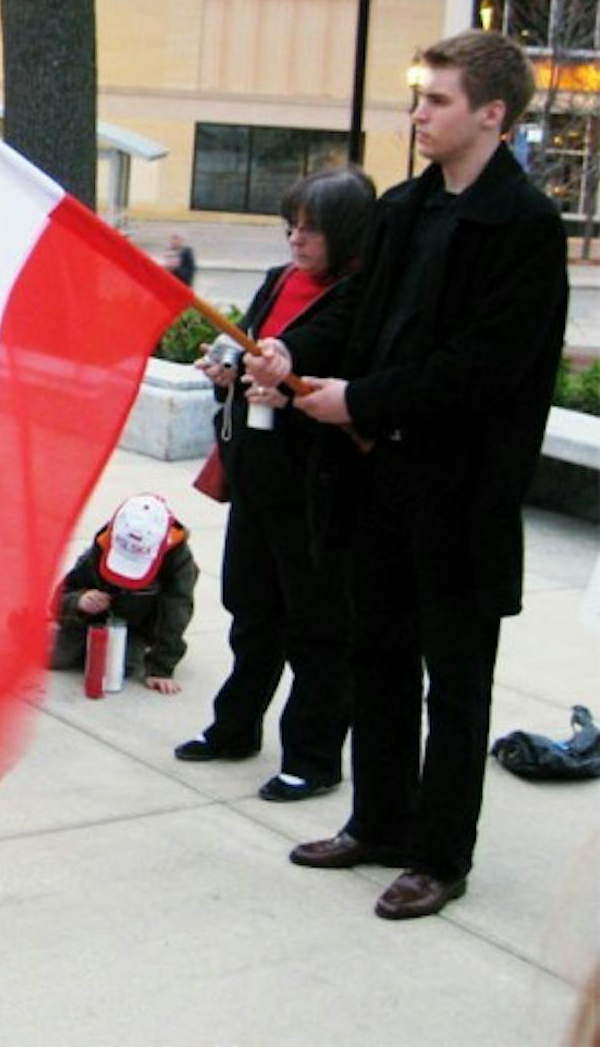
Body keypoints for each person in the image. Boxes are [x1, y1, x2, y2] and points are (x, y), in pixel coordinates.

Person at [249, 30, 568, 919]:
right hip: (377, 486)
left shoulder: (527, 228)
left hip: (460, 497)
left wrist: (361, 400)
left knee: (454, 685)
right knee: (376, 658)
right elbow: (355, 309)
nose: (418, 113)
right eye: (419, 97)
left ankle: (439, 853)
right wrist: (290, 348)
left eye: (437, 100)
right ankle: (378, 822)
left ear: (492, 114)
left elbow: (482, 368)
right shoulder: (402, 208)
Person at [173, 167, 375, 802]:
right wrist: (225, 366)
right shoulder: (278, 279)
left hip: (317, 484)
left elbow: (314, 355)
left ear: (345, 234)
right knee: (250, 610)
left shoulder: (362, 293)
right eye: (292, 224)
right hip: (256, 472)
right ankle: (235, 727)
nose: (296, 238)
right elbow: (255, 343)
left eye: (311, 229)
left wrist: (282, 372)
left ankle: (312, 757)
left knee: (316, 626)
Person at [49, 494, 199, 694]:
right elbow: (63, 594)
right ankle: (38, 629)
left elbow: (177, 611)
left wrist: (161, 668)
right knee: (53, 655)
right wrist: (78, 602)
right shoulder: (102, 544)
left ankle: (100, 649)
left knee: (120, 665)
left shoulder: (178, 559)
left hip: (135, 628)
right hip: (92, 621)